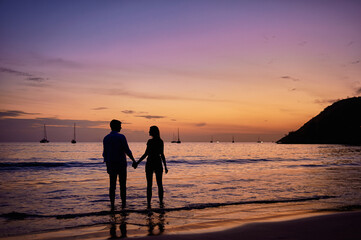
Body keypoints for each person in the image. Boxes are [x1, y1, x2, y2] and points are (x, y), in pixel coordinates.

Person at [103, 119, 136, 209]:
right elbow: (127, 150)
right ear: (116, 126)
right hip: (121, 163)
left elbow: (105, 154)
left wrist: (107, 165)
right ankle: (123, 204)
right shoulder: (121, 137)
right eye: (120, 125)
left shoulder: (106, 138)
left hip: (111, 164)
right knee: (122, 185)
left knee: (112, 185)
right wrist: (133, 160)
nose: (121, 127)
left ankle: (112, 205)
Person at [135, 126, 168, 208]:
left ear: (153, 132)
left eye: (150, 130)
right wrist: (165, 166)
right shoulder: (160, 141)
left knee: (149, 185)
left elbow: (146, 154)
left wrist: (137, 163)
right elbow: (162, 154)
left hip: (150, 162)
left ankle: (149, 204)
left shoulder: (150, 142)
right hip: (157, 162)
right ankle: (161, 203)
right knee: (159, 184)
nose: (148, 132)